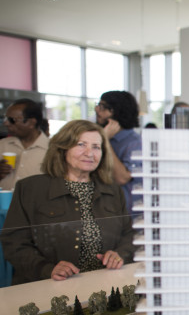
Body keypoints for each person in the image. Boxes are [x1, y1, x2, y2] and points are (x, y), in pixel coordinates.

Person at [1, 120, 135, 285]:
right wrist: (47, 269)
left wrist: (120, 254)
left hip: (104, 284)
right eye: (81, 144)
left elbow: (129, 235)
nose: (89, 153)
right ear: (62, 148)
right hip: (47, 287)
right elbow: (14, 243)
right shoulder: (30, 189)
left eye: (96, 147)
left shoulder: (113, 191)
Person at [95, 91, 141, 215]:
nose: (97, 109)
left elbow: (122, 178)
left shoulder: (134, 143)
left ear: (116, 112)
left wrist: (105, 140)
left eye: (102, 107)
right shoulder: (99, 137)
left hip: (125, 217)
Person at [0, 99, 49, 190]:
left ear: (31, 123)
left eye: (12, 120)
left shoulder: (52, 150)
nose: (6, 123)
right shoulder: (2, 145)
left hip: (37, 204)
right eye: (6, 118)